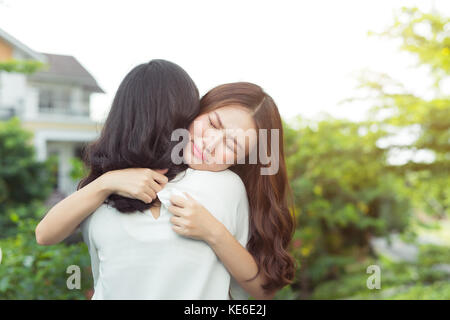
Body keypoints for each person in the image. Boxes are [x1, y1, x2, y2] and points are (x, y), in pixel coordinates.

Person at [35, 60, 296, 300]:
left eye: (232, 144)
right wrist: (108, 182)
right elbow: (45, 235)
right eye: (213, 125)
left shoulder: (225, 186)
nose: (211, 144)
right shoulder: (110, 186)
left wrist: (213, 232)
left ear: (239, 160)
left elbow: (263, 290)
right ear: (194, 111)